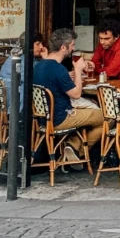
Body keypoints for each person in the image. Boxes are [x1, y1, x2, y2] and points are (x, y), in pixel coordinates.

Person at [32, 28, 105, 165]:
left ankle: (73, 146)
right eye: (72, 45)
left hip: (43, 119)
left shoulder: (39, 66)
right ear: (63, 47)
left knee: (91, 106)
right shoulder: (58, 69)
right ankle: (77, 152)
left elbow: (57, 81)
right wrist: (77, 70)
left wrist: (71, 73)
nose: (74, 48)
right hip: (61, 118)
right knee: (107, 117)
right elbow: (76, 94)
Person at [0, 32, 47, 109]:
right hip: (15, 104)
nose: (41, 47)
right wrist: (46, 59)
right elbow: (37, 78)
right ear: (28, 45)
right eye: (38, 44)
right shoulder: (19, 59)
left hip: (16, 99)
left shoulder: (28, 57)